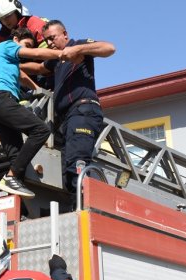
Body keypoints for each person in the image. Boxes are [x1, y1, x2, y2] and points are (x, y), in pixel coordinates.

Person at [21, 20, 116, 194]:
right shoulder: (57, 59)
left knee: (77, 165)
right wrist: (14, 66)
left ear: (65, 34)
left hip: (83, 111)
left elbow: (109, 48)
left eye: (52, 38)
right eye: (46, 40)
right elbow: (39, 68)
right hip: (69, 119)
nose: (49, 43)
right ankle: (77, 206)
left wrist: (78, 49)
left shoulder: (77, 45)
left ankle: (84, 208)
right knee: (68, 173)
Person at [0, 27, 74, 198]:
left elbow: (23, 77)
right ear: (17, 39)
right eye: (25, 44)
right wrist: (61, 54)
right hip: (2, 99)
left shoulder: (7, 62)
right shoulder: (7, 46)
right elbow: (36, 54)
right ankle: (10, 177)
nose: (24, 51)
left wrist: (40, 90)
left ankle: (12, 192)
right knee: (41, 130)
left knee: (17, 155)